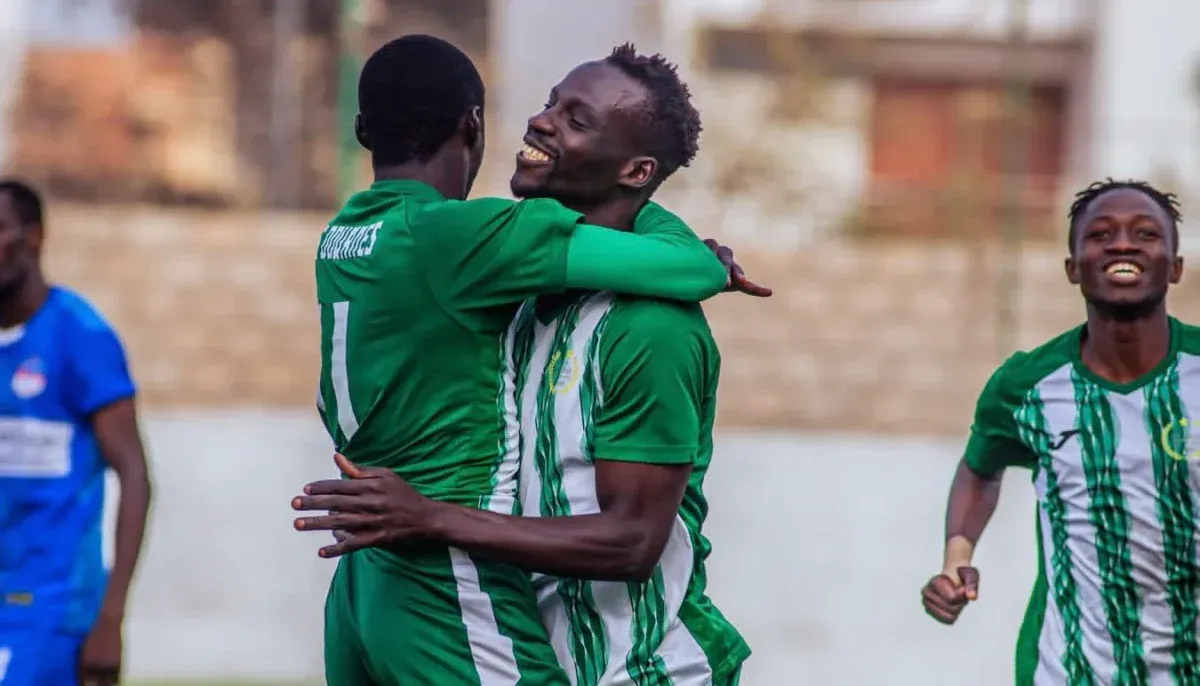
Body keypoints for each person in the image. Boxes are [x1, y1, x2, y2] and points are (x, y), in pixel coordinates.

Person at [305, 35, 764, 686]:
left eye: (576, 119)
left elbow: (633, 543)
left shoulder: (649, 328)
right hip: (535, 653)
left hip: (641, 669)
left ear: (636, 171)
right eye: (550, 103)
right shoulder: (514, 302)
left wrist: (432, 517)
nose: (540, 121)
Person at [920, 178, 1200, 684]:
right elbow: (980, 468)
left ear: (1176, 266)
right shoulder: (1025, 385)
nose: (1122, 245)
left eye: (1145, 233)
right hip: (1068, 671)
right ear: (1073, 268)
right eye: (1100, 234)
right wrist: (955, 559)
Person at [0, 180, 151, 686]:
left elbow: (134, 474)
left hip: (54, 606)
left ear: (33, 237)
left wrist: (111, 620)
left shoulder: (80, 335)